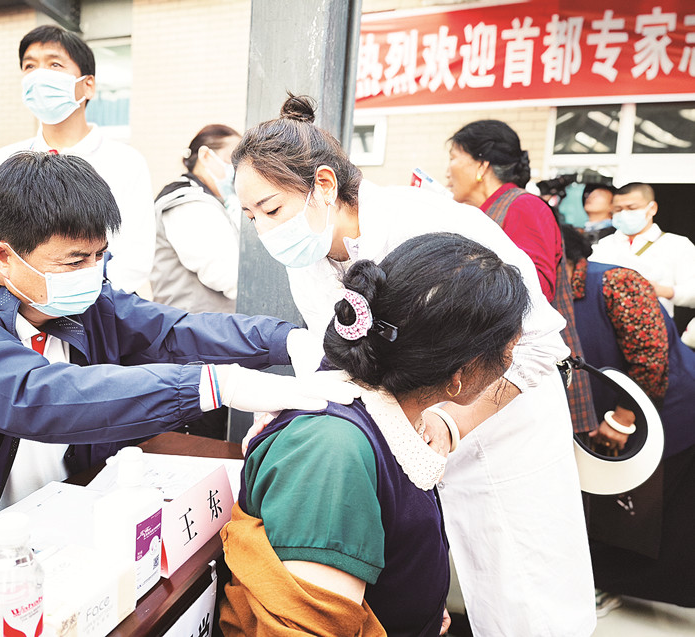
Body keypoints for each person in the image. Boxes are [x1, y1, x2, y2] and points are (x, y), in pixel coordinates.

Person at [0, 152, 360, 582]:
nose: (92, 274)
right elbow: (37, 395)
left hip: (51, 539)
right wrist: (215, 384)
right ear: (2, 257)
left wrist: (288, 340)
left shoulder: (85, 302)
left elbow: (174, 330)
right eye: (74, 261)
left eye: (100, 256)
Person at [233, 95, 595, 636]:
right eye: (251, 217)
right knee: (430, 579)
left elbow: (540, 343)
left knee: (523, 598)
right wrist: (290, 406)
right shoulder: (309, 257)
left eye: (272, 210)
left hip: (501, 421)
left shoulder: (429, 224)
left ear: (325, 185)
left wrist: (456, 422)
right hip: (413, 435)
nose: (265, 231)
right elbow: (343, 355)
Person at [220, 233, 529, 636]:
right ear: (459, 374)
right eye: (508, 350)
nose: (510, 359)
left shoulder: (395, 415)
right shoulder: (331, 452)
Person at [563, 225, 695, 609]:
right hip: (603, 419)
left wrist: (622, 419)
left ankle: (616, 586)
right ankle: (603, 580)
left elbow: (651, 361)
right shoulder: (542, 293)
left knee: (649, 513)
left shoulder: (616, 283)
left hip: (664, 412)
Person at [446, 119, 595, 436]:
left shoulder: (523, 206)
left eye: (454, 157)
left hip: (524, 373)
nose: (447, 171)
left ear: (482, 165)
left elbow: (534, 290)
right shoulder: (484, 212)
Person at [0, 25, 154, 294]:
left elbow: (135, 257)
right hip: (22, 305)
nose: (39, 75)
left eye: (54, 64)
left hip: (101, 305)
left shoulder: (126, 162)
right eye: (29, 66)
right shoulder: (3, 160)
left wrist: (82, 298)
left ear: (88, 85)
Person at [150, 124, 242, 313]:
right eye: (233, 160)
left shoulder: (207, 200)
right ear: (206, 156)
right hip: (194, 326)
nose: (239, 169)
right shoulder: (188, 204)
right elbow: (227, 274)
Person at [590, 182, 695, 318]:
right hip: (606, 324)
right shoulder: (604, 245)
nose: (624, 214)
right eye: (618, 209)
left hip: (656, 324)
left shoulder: (677, 245)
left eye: (632, 208)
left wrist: (662, 290)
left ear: (652, 208)